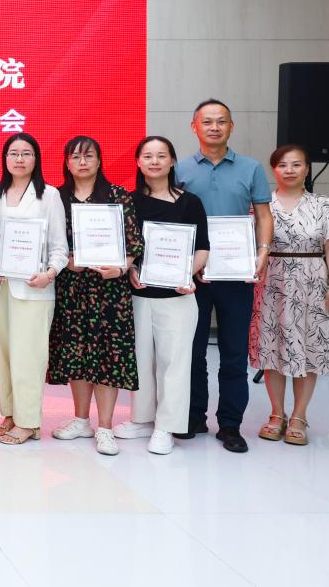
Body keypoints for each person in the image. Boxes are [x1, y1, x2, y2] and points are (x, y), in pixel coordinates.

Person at [176, 99, 273, 454]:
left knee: (233, 353)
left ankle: (230, 424)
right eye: (207, 121)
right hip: (195, 276)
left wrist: (262, 253)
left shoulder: (251, 168)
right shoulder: (180, 169)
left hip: (237, 276)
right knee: (193, 351)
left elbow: (263, 215)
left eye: (221, 121)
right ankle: (193, 417)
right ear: (194, 127)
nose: (214, 127)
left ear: (232, 126)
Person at [116, 136, 210, 456]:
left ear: (172, 161)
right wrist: (130, 269)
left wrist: (187, 274)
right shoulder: (129, 202)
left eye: (161, 155)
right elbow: (124, 248)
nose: (154, 161)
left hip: (177, 297)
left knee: (174, 363)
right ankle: (143, 420)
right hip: (138, 294)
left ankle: (166, 426)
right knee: (141, 361)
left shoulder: (190, 202)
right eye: (147, 156)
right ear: (138, 162)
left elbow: (202, 248)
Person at [49, 136, 142, 456]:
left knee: (107, 356)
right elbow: (48, 243)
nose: (82, 162)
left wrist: (121, 267)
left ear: (100, 160)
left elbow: (133, 242)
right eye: (75, 156)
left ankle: (105, 427)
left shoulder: (117, 196)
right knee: (76, 353)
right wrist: (66, 262)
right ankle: (80, 420)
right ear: (67, 162)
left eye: (89, 156)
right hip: (72, 289)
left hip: (109, 289)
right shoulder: (57, 198)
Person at [250, 144, 329, 446]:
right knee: (272, 349)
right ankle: (277, 414)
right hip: (271, 281)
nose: (289, 170)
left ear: (307, 168)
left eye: (296, 164)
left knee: (307, 348)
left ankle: (299, 416)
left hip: (311, 282)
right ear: (273, 170)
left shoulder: (324, 205)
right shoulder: (261, 205)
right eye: (282, 165)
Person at [0, 133, 68, 445]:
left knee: (29, 356)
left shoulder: (49, 195)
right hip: (1, 288)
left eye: (26, 153)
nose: (19, 159)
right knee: (3, 354)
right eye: (13, 153)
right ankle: (10, 413)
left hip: (35, 288)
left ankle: (29, 421)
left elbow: (59, 247)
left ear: (36, 159)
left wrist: (49, 274)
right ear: (5, 158)